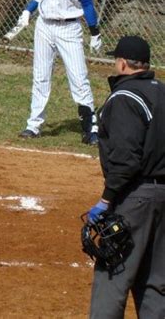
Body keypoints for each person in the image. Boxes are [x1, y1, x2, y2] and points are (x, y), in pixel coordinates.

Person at [87, 36, 165, 318]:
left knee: (112, 277)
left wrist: (106, 200)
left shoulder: (124, 98)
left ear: (121, 63)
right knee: (156, 283)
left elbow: (125, 160)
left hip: (135, 198)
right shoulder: (162, 92)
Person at [13, 0, 101, 145]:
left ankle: (90, 128)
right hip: (44, 26)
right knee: (40, 76)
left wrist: (94, 32)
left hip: (69, 28)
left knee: (79, 79)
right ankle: (33, 125)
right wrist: (27, 10)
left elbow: (88, 2)